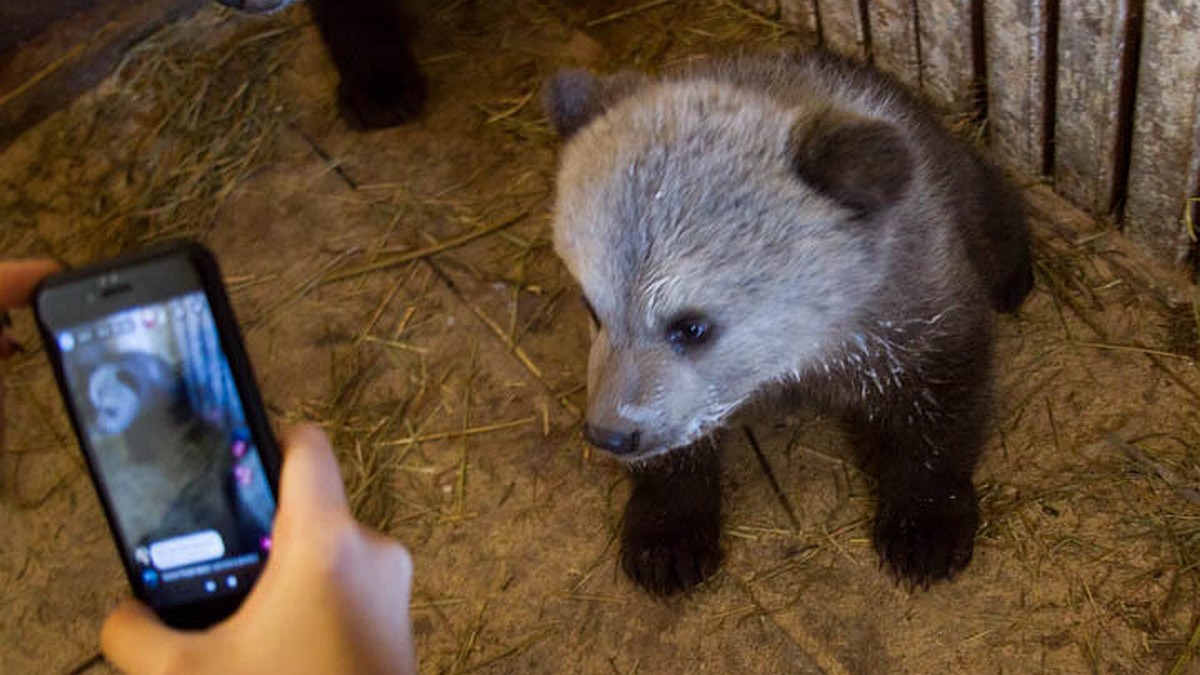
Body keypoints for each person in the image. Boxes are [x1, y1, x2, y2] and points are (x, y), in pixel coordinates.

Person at [0, 260, 417, 674]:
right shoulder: (154, 447)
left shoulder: (194, 437)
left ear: (138, 386)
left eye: (106, 403)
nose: (100, 414)